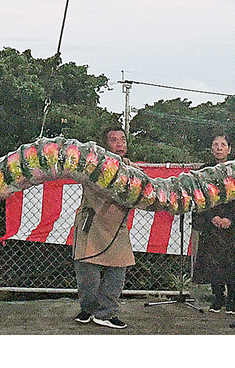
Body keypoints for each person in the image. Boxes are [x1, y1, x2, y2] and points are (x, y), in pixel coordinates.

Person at [72, 126, 134, 329]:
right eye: (114, 140)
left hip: (117, 226)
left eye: (122, 140)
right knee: (87, 273)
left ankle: (107, 312)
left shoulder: (131, 169)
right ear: (105, 145)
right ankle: (88, 308)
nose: (119, 144)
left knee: (117, 271)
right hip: (92, 222)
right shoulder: (93, 165)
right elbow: (97, 194)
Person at [191, 132, 235, 313]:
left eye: (223, 145)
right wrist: (212, 216)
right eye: (215, 144)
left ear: (229, 149)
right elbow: (200, 196)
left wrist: (230, 218)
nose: (219, 148)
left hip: (231, 224)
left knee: (232, 262)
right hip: (211, 223)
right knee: (213, 262)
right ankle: (218, 297)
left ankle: (233, 299)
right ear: (211, 148)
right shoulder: (204, 170)